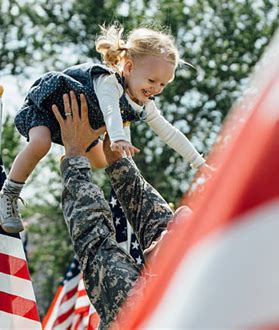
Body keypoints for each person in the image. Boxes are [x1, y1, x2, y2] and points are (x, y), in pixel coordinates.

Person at [0, 24, 208, 233]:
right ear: (129, 68)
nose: (156, 89)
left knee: (101, 160)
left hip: (80, 126)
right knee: (40, 143)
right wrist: (118, 137)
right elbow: (110, 110)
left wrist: (199, 163)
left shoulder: (145, 105)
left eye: (163, 84)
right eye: (152, 80)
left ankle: (70, 157)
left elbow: (170, 132)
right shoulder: (108, 82)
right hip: (48, 107)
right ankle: (9, 194)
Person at [53, 91, 192, 328]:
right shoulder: (182, 289)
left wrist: (75, 155)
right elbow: (149, 212)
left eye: (171, 230)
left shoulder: (141, 302)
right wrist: (117, 160)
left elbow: (93, 238)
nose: (165, 226)